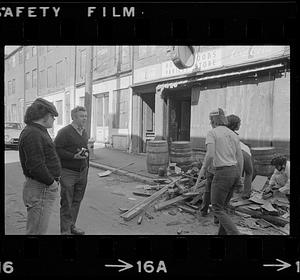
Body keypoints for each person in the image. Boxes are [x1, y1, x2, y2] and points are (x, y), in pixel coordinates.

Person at [196, 108, 243, 235]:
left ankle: (235, 234)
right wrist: (239, 178)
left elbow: (210, 155)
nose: (210, 122)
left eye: (210, 120)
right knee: (224, 207)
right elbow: (240, 158)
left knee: (217, 208)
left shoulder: (213, 133)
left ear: (213, 120)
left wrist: (202, 171)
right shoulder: (233, 134)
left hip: (222, 173)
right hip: (234, 172)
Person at [18, 98, 61, 235]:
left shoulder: (37, 131)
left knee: (37, 229)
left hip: (41, 187)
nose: (54, 120)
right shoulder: (33, 133)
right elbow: (35, 165)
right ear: (45, 116)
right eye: (53, 116)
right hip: (41, 187)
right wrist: (52, 183)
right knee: (36, 231)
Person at [54, 106, 89, 235]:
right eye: (81, 116)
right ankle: (65, 232)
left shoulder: (84, 132)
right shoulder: (64, 132)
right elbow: (57, 149)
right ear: (74, 117)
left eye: (85, 116)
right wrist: (73, 156)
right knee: (67, 202)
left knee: (76, 201)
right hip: (68, 172)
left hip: (82, 172)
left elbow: (83, 149)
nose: (84, 118)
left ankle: (71, 226)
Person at [226, 114, 255, 199]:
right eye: (239, 123)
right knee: (249, 172)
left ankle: (230, 194)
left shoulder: (225, 133)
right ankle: (246, 194)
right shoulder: (234, 134)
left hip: (234, 152)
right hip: (244, 152)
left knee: (231, 173)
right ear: (236, 125)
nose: (240, 125)